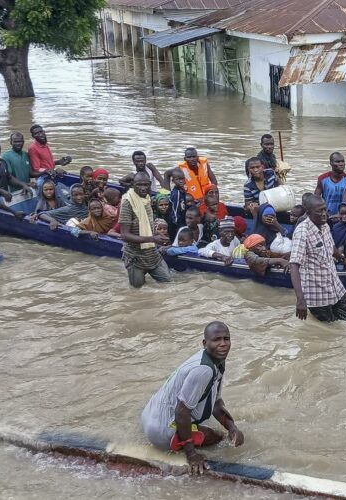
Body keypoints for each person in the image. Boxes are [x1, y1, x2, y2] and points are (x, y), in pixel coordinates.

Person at [141, 321, 244, 475]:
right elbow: (181, 412)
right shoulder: (204, 370)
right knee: (217, 438)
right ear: (205, 343)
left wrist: (232, 427)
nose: (223, 344)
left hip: (148, 416)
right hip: (160, 431)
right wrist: (192, 455)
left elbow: (215, 403)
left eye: (226, 339)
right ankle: (178, 445)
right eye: (217, 340)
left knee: (220, 431)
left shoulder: (215, 362)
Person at [290, 196, 346, 322]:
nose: (324, 214)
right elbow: (294, 266)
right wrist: (300, 300)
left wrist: (342, 257)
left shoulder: (325, 225)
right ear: (308, 213)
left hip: (335, 287)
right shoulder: (302, 232)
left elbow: (331, 247)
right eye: (319, 211)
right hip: (317, 295)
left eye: (325, 210)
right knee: (329, 331)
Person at [119, 172, 172, 288]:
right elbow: (124, 235)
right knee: (137, 290)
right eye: (139, 185)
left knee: (168, 282)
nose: (143, 188)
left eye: (146, 185)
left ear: (150, 185)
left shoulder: (147, 199)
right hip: (135, 257)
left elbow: (146, 225)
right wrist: (153, 238)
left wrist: (158, 235)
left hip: (152, 254)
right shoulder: (128, 203)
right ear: (133, 185)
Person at [314, 152, 346, 218]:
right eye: (337, 162)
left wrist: (339, 214)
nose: (341, 164)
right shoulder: (322, 179)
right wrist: (322, 213)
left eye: (342, 161)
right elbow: (316, 199)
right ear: (331, 163)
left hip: (341, 215)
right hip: (325, 214)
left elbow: (345, 201)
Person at [168, 169, 188, 239]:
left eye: (182, 179)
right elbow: (175, 209)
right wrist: (177, 223)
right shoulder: (177, 193)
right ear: (173, 181)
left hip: (181, 218)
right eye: (178, 179)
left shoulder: (182, 190)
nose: (181, 181)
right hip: (177, 223)